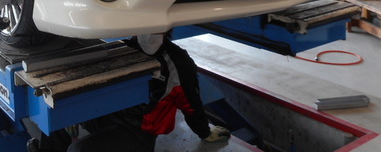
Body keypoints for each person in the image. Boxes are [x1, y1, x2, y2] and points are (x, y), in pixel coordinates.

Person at [27, 32, 230, 152]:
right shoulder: (124, 48)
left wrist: (204, 132)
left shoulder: (178, 61)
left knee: (79, 150)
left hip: (137, 131)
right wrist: (73, 111)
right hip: (107, 115)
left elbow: (191, 104)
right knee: (55, 121)